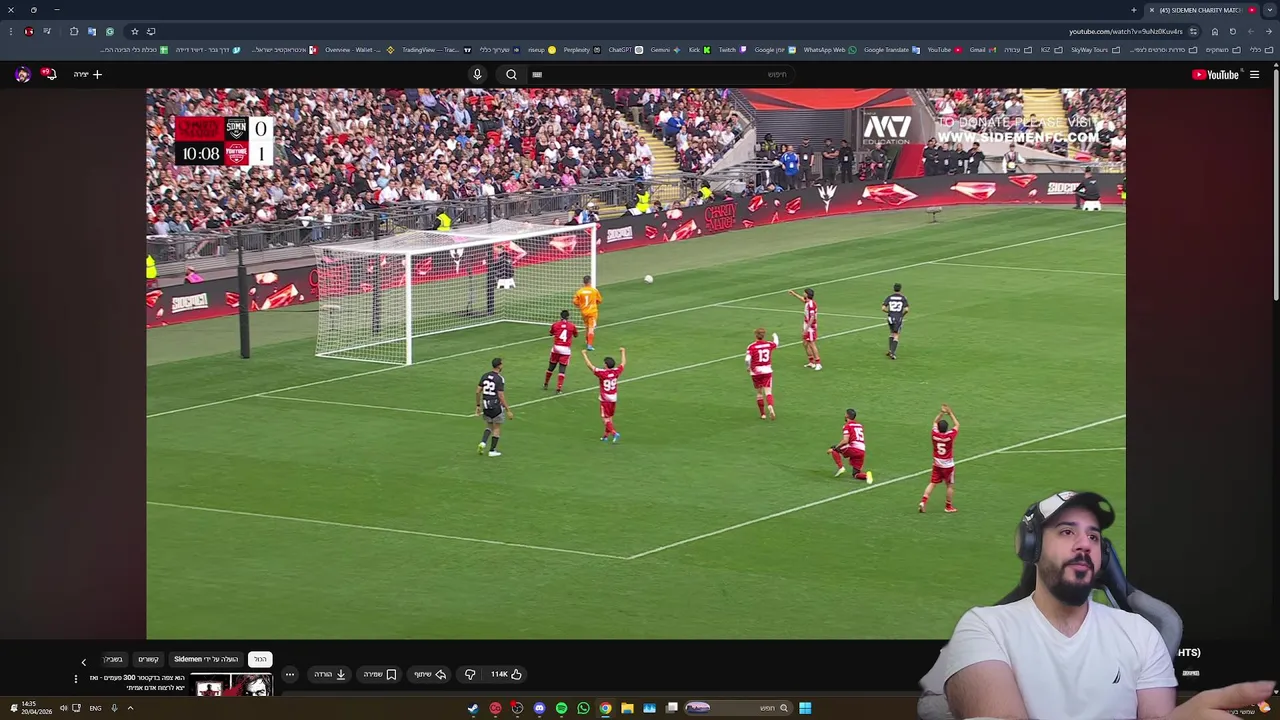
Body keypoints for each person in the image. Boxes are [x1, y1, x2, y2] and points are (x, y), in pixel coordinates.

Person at [930, 490, 1275, 720]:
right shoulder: (984, 628)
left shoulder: (1140, 634)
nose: (1084, 544)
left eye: (1093, 536)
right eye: (1067, 532)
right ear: (1031, 546)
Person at [919, 405, 959, 513]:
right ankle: (948, 506)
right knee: (949, 486)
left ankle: (923, 502)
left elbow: (935, 422)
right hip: (948, 465)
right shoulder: (950, 436)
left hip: (937, 463)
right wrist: (950, 413)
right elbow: (957, 425)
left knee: (932, 483)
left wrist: (941, 413)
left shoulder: (934, 434)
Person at [581, 347, 626, 443]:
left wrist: (584, 354)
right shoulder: (616, 372)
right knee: (610, 417)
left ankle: (614, 433)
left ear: (606, 365)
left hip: (605, 399)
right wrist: (623, 352)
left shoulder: (602, 373)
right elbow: (623, 363)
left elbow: (590, 366)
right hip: (614, 398)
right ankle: (605, 436)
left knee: (605, 418)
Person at [475, 357, 514, 457]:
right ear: (499, 366)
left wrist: (478, 405)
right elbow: (501, 395)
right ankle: (492, 450)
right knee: (496, 427)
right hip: (496, 406)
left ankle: (483, 442)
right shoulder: (499, 378)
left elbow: (478, 391)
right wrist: (508, 410)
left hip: (486, 405)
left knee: (489, 426)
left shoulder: (485, 376)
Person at [744, 327, 780, 420]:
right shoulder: (768, 344)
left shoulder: (751, 346)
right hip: (767, 371)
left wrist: (748, 367)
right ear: (764, 335)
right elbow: (776, 343)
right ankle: (770, 406)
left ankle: (763, 414)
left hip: (755, 372)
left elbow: (747, 359)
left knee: (759, 393)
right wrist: (775, 335)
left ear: (756, 335)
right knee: (768, 392)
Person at [828, 408, 872, 482]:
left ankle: (841, 468)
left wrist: (835, 448)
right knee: (856, 474)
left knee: (834, 449)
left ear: (846, 415)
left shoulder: (847, 426)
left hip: (854, 448)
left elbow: (845, 440)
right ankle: (867, 476)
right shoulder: (859, 425)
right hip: (862, 450)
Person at [545, 310, 579, 393]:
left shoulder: (555, 324)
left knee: (551, 367)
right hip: (565, 349)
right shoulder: (572, 326)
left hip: (556, 348)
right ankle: (559, 388)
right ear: (568, 317)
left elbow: (551, 333)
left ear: (560, 316)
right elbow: (576, 335)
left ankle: (546, 383)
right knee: (562, 369)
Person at [787, 287, 821, 370]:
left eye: (804, 293)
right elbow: (803, 300)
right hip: (806, 324)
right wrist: (794, 294)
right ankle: (811, 362)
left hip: (810, 327)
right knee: (805, 343)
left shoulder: (811, 304)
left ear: (807, 294)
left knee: (811, 344)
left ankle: (818, 363)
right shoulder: (808, 302)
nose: (803, 294)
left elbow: (812, 317)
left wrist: (806, 329)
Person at [572, 275, 603, 350]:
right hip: (592, 312)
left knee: (587, 327)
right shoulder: (594, 291)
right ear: (590, 281)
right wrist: (593, 303)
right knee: (591, 328)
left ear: (584, 282)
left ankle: (587, 341)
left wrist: (581, 305)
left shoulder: (580, 291)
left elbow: (575, 302)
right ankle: (589, 345)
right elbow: (599, 300)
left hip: (584, 312)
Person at [882, 282, 909, 360]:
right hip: (898, 318)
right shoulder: (903, 298)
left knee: (892, 333)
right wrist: (902, 315)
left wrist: (889, 312)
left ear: (893, 289)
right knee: (896, 335)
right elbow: (906, 310)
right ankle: (892, 353)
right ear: (900, 289)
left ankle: (890, 350)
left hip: (890, 318)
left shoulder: (889, 297)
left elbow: (883, 308)